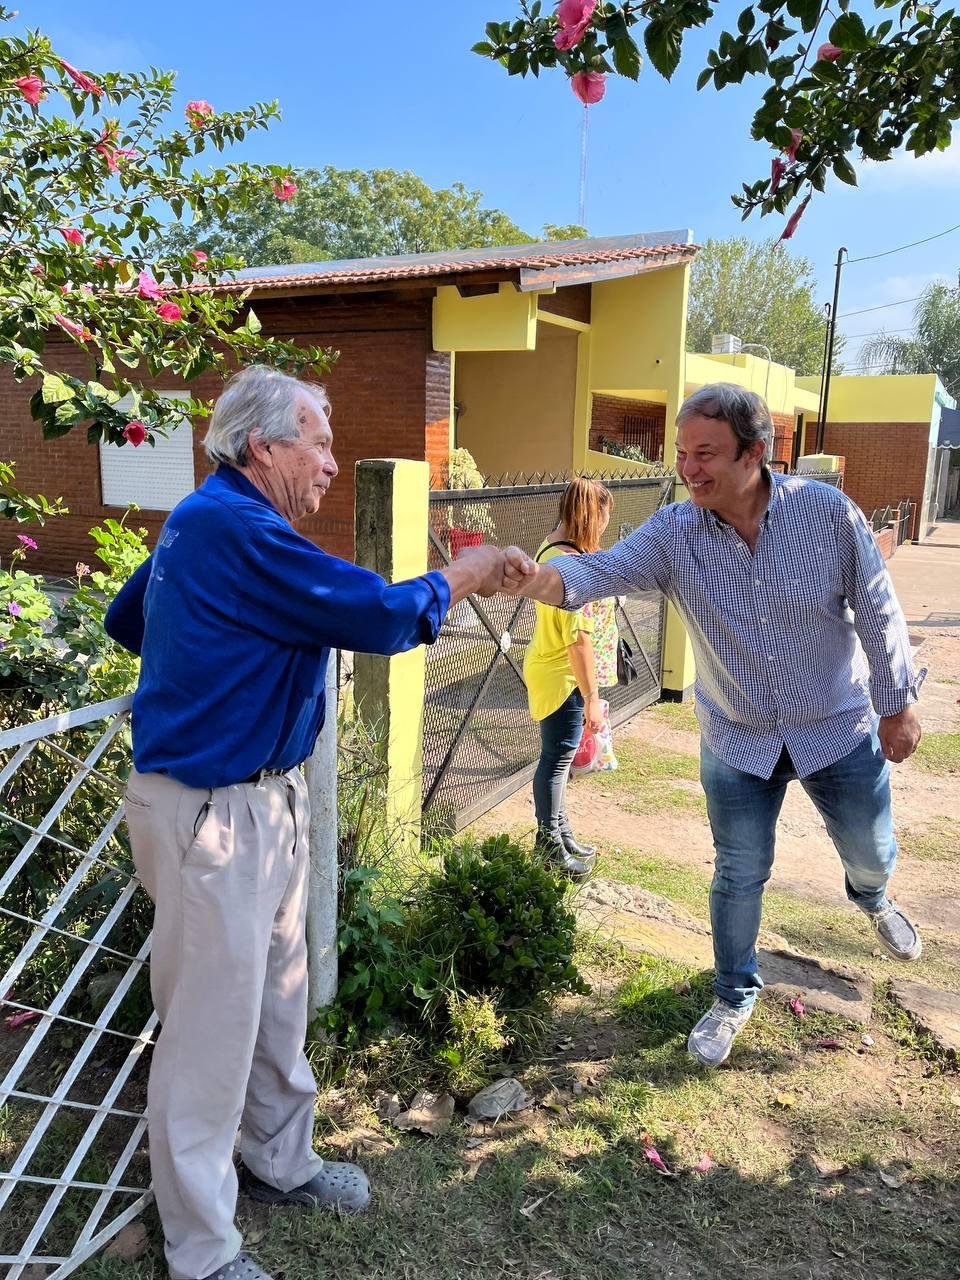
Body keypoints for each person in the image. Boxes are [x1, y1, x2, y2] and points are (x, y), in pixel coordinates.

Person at [104, 365, 504, 1280]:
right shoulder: (236, 527)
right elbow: (381, 614)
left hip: (259, 802)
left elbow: (133, 620)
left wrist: (217, 656)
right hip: (213, 815)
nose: (331, 462)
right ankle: (201, 1251)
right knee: (208, 1040)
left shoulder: (207, 520)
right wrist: (466, 572)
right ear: (262, 446)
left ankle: (278, 1165)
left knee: (278, 1006)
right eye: (318, 443)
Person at [500, 382, 924, 1068]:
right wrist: (528, 578)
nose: (688, 469)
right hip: (737, 736)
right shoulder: (676, 531)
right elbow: (598, 573)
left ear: (754, 453)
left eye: (705, 454)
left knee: (871, 850)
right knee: (738, 871)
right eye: (681, 453)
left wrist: (896, 703)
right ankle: (732, 994)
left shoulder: (826, 515)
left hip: (835, 725)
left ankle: (873, 896)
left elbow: (878, 608)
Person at [524, 477, 617, 878]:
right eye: (603, 518)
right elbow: (577, 640)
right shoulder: (567, 567)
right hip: (562, 676)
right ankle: (548, 846)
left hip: (553, 669)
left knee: (558, 760)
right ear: (590, 516)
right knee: (556, 758)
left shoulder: (553, 549)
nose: (604, 528)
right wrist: (591, 697)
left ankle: (562, 835)